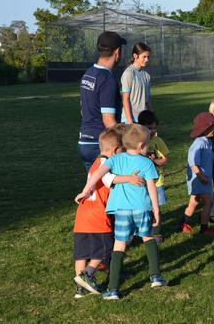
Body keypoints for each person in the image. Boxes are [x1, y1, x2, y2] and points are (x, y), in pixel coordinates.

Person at [75, 124, 165, 300]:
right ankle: (155, 277)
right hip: (142, 207)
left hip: (121, 210)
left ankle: (113, 289)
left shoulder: (114, 160)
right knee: (147, 238)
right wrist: (156, 209)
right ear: (141, 146)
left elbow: (96, 175)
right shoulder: (147, 163)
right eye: (147, 144)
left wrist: (85, 191)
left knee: (119, 246)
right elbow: (151, 188)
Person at [78, 31, 126, 171]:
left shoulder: (88, 74)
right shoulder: (107, 79)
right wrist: (126, 144)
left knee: (95, 192)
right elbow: (108, 121)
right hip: (100, 147)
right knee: (113, 191)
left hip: (84, 143)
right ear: (117, 51)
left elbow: (83, 110)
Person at [181, 112, 214, 238]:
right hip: (199, 178)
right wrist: (201, 177)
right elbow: (193, 163)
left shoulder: (207, 141)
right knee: (208, 202)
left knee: (194, 202)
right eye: (211, 128)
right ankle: (204, 228)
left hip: (203, 178)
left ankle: (183, 223)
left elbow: (208, 158)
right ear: (203, 129)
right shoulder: (199, 143)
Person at [138, 110, 169, 244]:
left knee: (156, 208)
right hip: (141, 183)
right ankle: (142, 232)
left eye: (154, 128)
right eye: (148, 128)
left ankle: (156, 233)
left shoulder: (158, 141)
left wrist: (154, 161)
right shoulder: (137, 142)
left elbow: (165, 160)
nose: (152, 131)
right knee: (143, 209)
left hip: (156, 182)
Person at [121, 42, 153, 124]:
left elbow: (148, 100)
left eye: (148, 57)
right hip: (130, 120)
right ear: (135, 56)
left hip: (143, 120)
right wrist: (130, 121)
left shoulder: (147, 75)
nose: (147, 60)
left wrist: (153, 119)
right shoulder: (128, 73)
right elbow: (125, 99)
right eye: (144, 57)